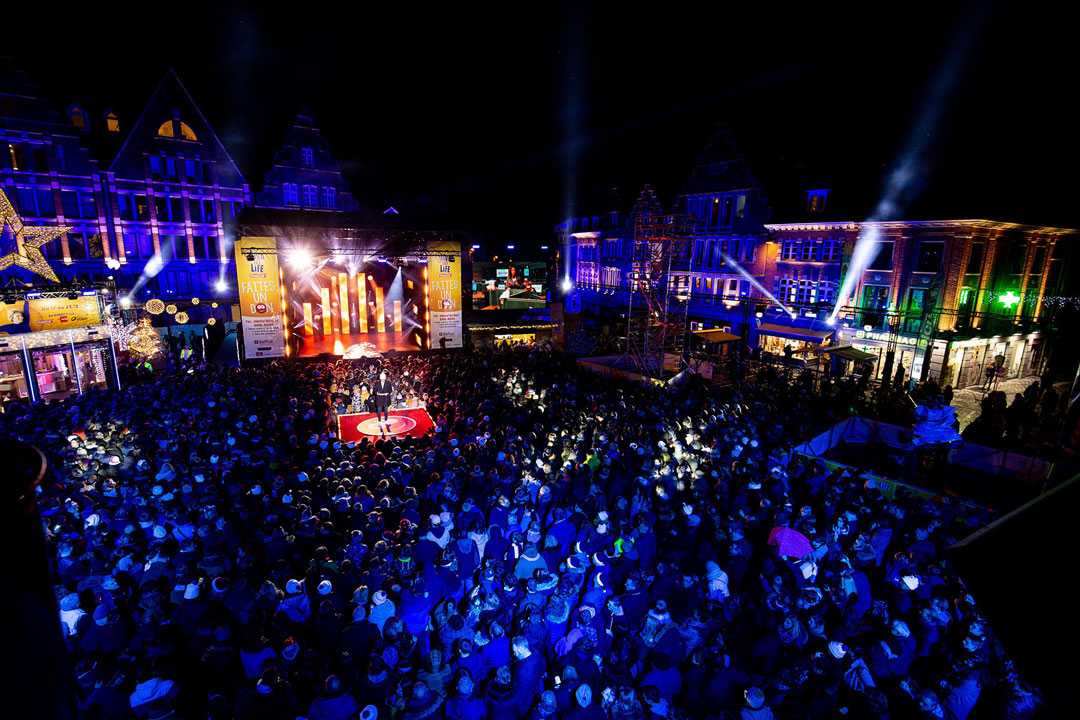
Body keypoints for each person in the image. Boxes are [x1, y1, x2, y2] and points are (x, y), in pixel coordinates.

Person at [374, 368, 393, 433]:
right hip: (379, 399)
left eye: (383, 377)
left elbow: (390, 391)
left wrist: (387, 393)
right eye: (381, 377)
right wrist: (377, 393)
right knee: (379, 410)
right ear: (380, 378)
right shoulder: (377, 383)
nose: (382, 378)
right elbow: (374, 391)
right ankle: (379, 421)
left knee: (386, 410)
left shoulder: (388, 383)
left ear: (385, 377)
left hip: (385, 399)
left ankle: (386, 420)